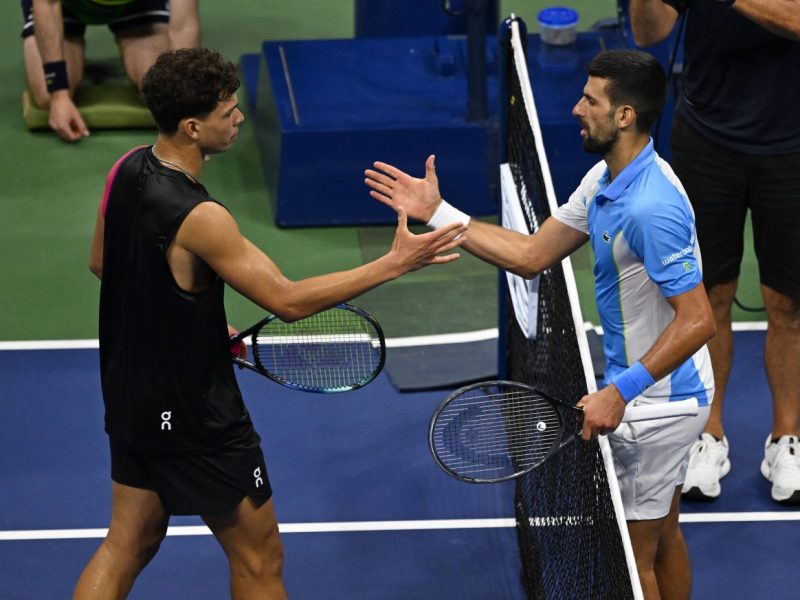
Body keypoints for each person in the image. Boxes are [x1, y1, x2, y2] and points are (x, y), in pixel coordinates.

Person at [80, 48, 466, 600]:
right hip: (197, 414)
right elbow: (287, 300)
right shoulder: (202, 217)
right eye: (227, 111)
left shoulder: (125, 169)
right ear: (192, 127)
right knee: (260, 560)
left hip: (129, 395)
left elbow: (104, 264)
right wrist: (395, 263)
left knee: (129, 541)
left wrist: (187, 327)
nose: (239, 117)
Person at [365, 49, 715, 600]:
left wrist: (618, 393)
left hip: (659, 401)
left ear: (624, 116)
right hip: (656, 385)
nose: (577, 108)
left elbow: (698, 320)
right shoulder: (608, 178)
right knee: (663, 533)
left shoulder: (651, 207)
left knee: (634, 559)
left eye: (590, 100)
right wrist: (439, 213)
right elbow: (531, 255)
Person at [629, 0, 800, 504]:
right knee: (708, 298)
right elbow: (648, 32)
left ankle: (787, 439)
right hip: (708, 143)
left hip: (792, 147)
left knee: (788, 304)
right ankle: (709, 435)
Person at [21, 0, 200, 142]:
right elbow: (47, 4)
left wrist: (184, 100)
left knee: (163, 89)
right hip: (65, 6)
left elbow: (183, 25)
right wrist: (59, 95)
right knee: (47, 95)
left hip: (137, 3)